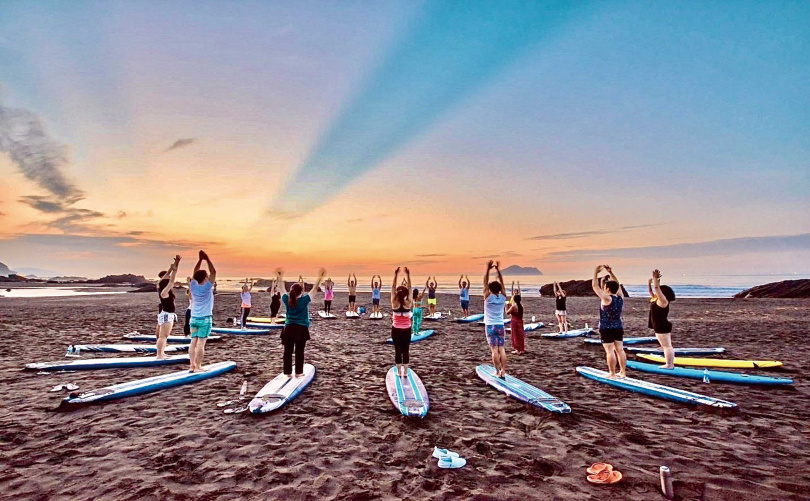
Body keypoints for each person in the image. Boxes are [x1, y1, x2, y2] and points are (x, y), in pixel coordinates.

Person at [277, 267, 326, 378]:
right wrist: (320, 277)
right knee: (299, 352)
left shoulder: (287, 299)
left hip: (288, 328)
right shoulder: (304, 300)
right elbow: (314, 289)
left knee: (287, 352)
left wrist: (280, 277)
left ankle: (287, 373)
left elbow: (281, 288)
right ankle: (298, 373)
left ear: (292, 292)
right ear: (301, 292)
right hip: (301, 329)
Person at [591, 264, 626, 378]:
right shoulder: (620, 297)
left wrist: (595, 272)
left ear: (607, 289)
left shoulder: (607, 298)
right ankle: (623, 372)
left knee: (610, 351)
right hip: (618, 327)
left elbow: (595, 286)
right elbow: (617, 284)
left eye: (605, 287)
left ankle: (612, 373)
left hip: (606, 328)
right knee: (620, 350)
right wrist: (611, 273)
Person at [189, 250, 217, 372]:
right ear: (205, 278)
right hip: (205, 319)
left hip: (193, 318)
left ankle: (191, 366)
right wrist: (207, 259)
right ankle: (198, 366)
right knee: (200, 344)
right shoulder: (207, 287)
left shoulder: (193, 286)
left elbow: (195, 273)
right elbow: (214, 272)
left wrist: (200, 260)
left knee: (193, 342)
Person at [483, 261, 508, 378]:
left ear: (490, 289)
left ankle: (498, 372)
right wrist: (498, 270)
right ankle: (503, 371)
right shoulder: (503, 297)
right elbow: (502, 283)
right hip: (500, 325)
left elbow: (485, 282)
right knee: (501, 349)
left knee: (494, 350)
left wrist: (488, 269)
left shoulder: (488, 297)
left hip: (490, 326)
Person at [648, 269, 676, 369]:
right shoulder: (657, 300)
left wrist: (655, 278)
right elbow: (653, 290)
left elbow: (656, 288)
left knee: (668, 346)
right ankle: (668, 361)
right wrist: (651, 282)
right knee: (665, 346)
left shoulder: (663, 301)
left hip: (662, 325)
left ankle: (670, 364)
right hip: (659, 325)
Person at [156, 255, 181, 359]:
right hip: (167, 314)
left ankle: (161, 353)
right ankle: (159, 355)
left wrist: (176, 264)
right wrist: (174, 271)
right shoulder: (164, 292)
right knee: (163, 336)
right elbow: (171, 281)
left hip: (165, 314)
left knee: (163, 336)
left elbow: (167, 274)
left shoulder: (159, 286)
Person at [390, 267, 413, 377]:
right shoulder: (408, 302)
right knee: (406, 350)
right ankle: (406, 373)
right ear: (405, 294)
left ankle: (399, 372)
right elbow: (410, 288)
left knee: (398, 350)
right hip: (407, 330)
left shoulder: (394, 302)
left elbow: (393, 287)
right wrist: (408, 275)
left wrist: (396, 275)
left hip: (396, 330)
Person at [506, 284, 525, 355]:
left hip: (514, 321)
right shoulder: (521, 306)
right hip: (520, 321)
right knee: (520, 335)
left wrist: (506, 306)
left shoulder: (514, 306)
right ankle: (522, 349)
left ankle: (517, 349)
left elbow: (507, 313)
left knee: (515, 335)